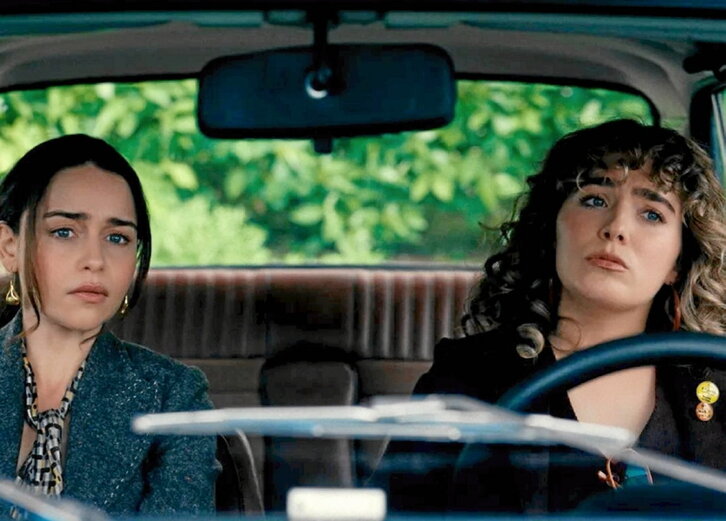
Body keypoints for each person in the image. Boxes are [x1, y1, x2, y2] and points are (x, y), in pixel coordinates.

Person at [377, 119, 726, 513]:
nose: (616, 228)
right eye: (595, 200)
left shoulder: (717, 382)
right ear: (552, 228)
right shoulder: (467, 376)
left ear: (678, 262)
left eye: (652, 214)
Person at [0, 135, 218, 516]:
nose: (95, 260)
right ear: (9, 246)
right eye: (64, 231)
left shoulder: (174, 396)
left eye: (117, 238)